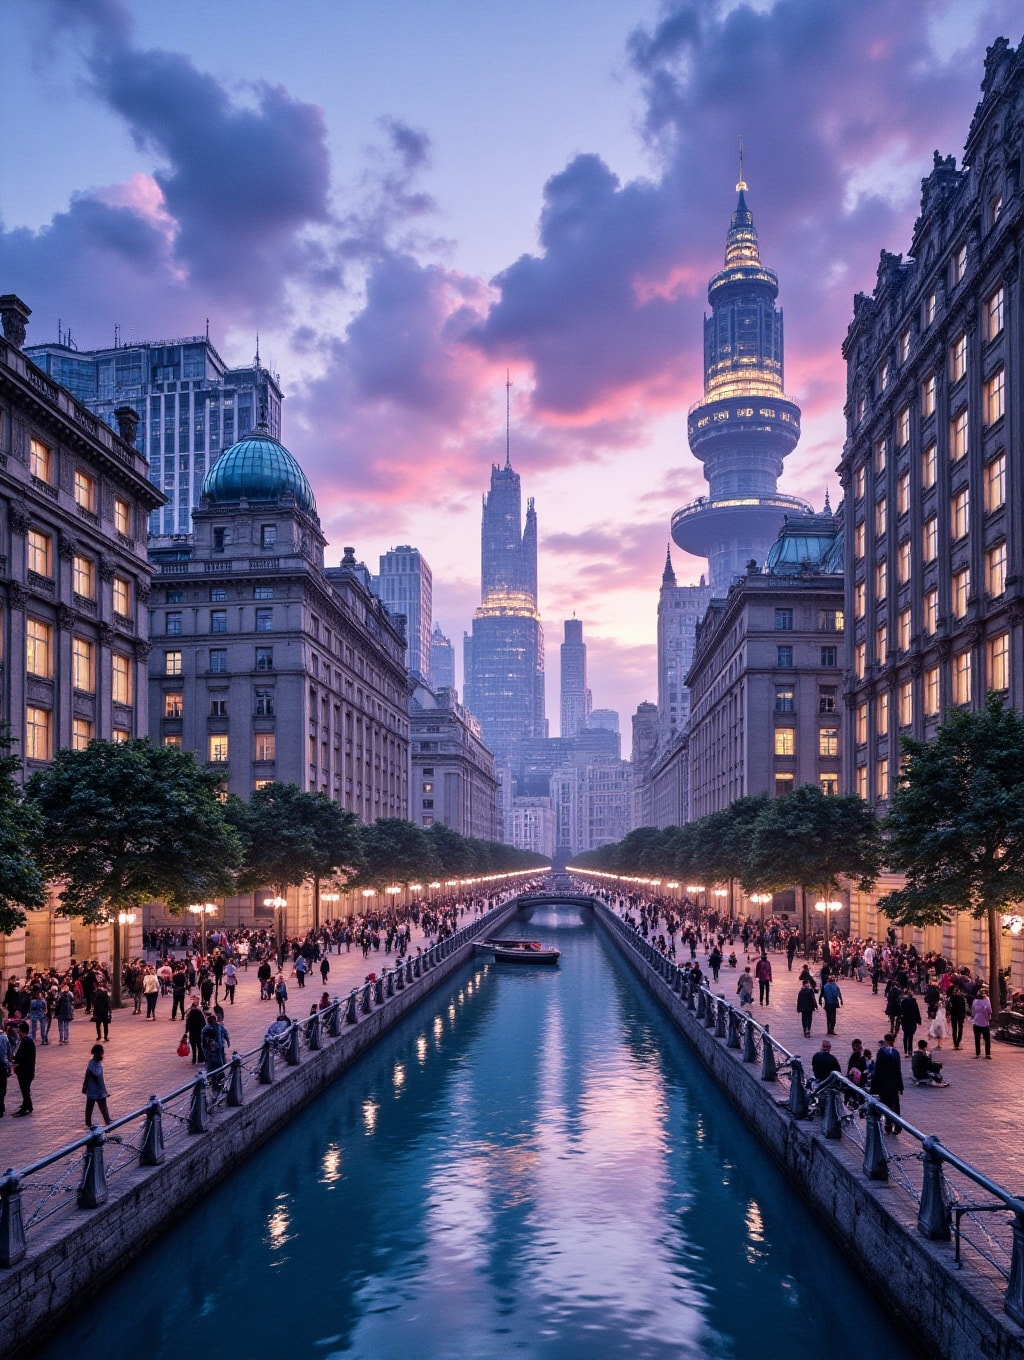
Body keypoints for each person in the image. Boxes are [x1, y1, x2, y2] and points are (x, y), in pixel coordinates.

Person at [869, 1034, 904, 1134]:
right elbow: (898, 1070)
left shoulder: (881, 1052)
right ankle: (898, 1125)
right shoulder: (896, 1053)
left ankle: (888, 1126)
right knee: (895, 1105)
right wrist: (900, 1087)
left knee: (886, 1105)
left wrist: (873, 1087)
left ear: (885, 1041)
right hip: (894, 1084)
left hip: (883, 1084)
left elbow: (878, 1070)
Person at [83, 1043, 113, 1126]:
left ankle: (88, 1122)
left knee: (90, 1107)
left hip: (92, 1089)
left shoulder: (92, 1063)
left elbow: (87, 1074)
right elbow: (96, 1075)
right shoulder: (95, 1063)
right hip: (97, 1090)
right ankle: (107, 1121)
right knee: (102, 1107)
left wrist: (84, 1086)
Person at [12, 1021, 35, 1116]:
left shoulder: (27, 1042)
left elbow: (27, 1057)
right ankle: (27, 1106)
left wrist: (18, 1063)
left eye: (19, 1029)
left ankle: (26, 1107)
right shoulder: (22, 1040)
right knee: (24, 1089)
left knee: (25, 1090)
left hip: (25, 1070)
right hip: (21, 1070)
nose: (17, 1031)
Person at [899, 988, 922, 1057]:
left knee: (905, 1035)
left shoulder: (903, 1002)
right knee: (911, 1036)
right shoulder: (914, 1002)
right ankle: (910, 1050)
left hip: (905, 1020)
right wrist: (919, 1020)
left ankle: (906, 1050)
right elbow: (917, 1011)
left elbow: (901, 1012)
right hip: (912, 1020)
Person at [972, 986, 993, 1058]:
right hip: (985, 1022)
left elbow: (973, 1011)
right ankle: (988, 1054)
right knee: (987, 1039)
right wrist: (988, 1016)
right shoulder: (987, 1000)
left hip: (976, 1021)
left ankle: (977, 1053)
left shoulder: (975, 1001)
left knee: (977, 1038)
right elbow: (990, 1010)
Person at [184, 999, 206, 1064]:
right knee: (199, 1046)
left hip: (192, 1033)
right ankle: (200, 1058)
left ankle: (194, 1059)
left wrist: (186, 1031)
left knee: (193, 1047)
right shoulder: (199, 1014)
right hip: (199, 1033)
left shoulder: (190, 1015)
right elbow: (203, 1023)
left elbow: (187, 1024)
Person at [948, 985, 967, 1050]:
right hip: (960, 1015)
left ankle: (955, 1043)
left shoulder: (951, 998)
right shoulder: (961, 998)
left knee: (954, 1029)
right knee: (960, 1029)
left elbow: (950, 1007)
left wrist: (949, 1014)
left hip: (954, 1015)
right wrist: (964, 1015)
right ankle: (958, 1042)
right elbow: (964, 1008)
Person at [0, 1022, 11, 1116]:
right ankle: (1, 1106)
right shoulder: (4, 1037)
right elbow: (8, 1052)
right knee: (2, 1087)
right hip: (2, 1065)